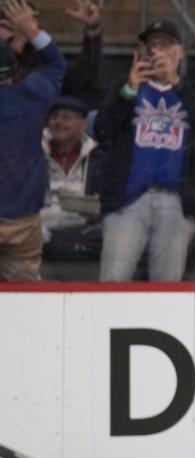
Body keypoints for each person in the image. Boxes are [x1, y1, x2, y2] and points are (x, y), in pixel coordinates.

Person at [94, 21, 195, 282]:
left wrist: (175, 83)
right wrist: (129, 89)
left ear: (180, 52)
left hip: (176, 200)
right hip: (127, 201)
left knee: (168, 288)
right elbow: (103, 129)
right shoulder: (125, 85)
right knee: (113, 282)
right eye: (152, 45)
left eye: (165, 44)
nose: (158, 51)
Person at [0, 0, 65, 282]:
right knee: (25, 304)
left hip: (21, 214)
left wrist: (15, 43)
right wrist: (29, 30)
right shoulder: (32, 94)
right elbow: (57, 63)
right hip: (22, 217)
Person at [40, 96, 104, 280]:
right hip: (40, 228)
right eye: (54, 117)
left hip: (84, 230)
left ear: (83, 124)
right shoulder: (32, 153)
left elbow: (108, 201)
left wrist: (98, 209)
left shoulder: (99, 157)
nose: (59, 122)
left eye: (67, 117)